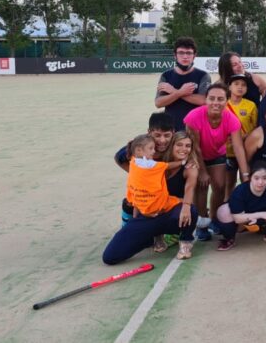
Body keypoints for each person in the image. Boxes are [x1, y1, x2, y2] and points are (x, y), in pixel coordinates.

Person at [102, 135, 197, 264]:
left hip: (169, 215)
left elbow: (190, 188)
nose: (183, 149)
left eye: (188, 146)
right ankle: (151, 238)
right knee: (110, 257)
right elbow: (122, 160)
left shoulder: (190, 167)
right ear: (171, 146)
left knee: (191, 210)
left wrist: (186, 206)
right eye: (179, 145)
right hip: (147, 216)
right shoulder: (149, 162)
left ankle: (185, 242)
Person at [183, 83, 250, 242]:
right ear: (205, 100)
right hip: (195, 154)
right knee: (202, 185)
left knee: (220, 186)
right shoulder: (194, 116)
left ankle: (213, 219)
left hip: (216, 154)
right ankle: (201, 224)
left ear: (226, 101)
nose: (216, 102)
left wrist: (246, 174)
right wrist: (203, 172)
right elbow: (195, 147)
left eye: (220, 99)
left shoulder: (231, 119)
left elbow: (238, 148)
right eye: (212, 98)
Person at [212, 162, 266, 251]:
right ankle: (229, 238)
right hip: (242, 221)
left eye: (264, 178)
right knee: (223, 211)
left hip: (263, 220)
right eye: (256, 178)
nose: (260, 182)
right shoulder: (240, 191)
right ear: (250, 178)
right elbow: (237, 218)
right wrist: (260, 214)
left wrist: (260, 220)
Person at [114, 113, 176, 222]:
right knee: (130, 202)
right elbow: (118, 158)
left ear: (173, 133)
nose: (162, 140)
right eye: (157, 135)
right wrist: (141, 176)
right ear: (149, 132)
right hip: (144, 195)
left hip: (166, 191)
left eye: (167, 135)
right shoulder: (141, 147)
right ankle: (128, 225)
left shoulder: (177, 146)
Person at [155, 37, 211, 130]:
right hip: (171, 127)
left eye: (189, 53)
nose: (185, 56)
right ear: (175, 55)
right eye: (181, 53)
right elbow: (158, 103)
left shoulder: (203, 75)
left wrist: (174, 91)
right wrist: (180, 92)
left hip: (195, 127)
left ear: (194, 55)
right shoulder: (166, 75)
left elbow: (203, 101)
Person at [225, 74, 258, 196]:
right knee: (228, 185)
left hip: (246, 151)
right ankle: (225, 209)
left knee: (247, 181)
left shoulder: (251, 105)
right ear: (229, 87)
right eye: (236, 84)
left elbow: (255, 128)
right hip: (228, 152)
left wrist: (245, 136)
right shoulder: (223, 105)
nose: (240, 87)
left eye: (243, 85)